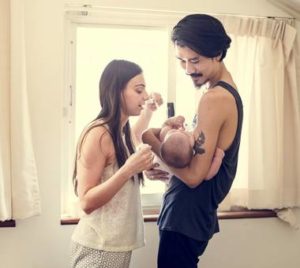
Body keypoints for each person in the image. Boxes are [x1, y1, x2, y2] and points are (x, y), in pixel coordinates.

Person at [143, 14, 244, 268]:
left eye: (195, 60)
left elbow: (193, 177)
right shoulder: (223, 93)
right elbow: (198, 165)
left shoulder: (215, 98)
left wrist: (151, 143)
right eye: (182, 61)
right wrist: (168, 170)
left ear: (217, 53)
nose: (188, 69)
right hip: (190, 215)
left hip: (185, 214)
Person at [70, 59, 163, 268]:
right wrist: (129, 169)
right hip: (99, 247)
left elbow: (135, 134)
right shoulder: (98, 134)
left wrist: (149, 110)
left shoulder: (120, 131)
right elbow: (86, 202)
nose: (146, 95)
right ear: (117, 91)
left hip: (113, 245)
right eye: (139, 90)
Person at [143, 115, 225, 180]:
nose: (181, 130)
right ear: (193, 151)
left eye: (174, 131)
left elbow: (166, 126)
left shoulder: (166, 139)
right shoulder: (192, 161)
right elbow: (207, 175)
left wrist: (174, 120)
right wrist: (218, 158)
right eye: (186, 134)